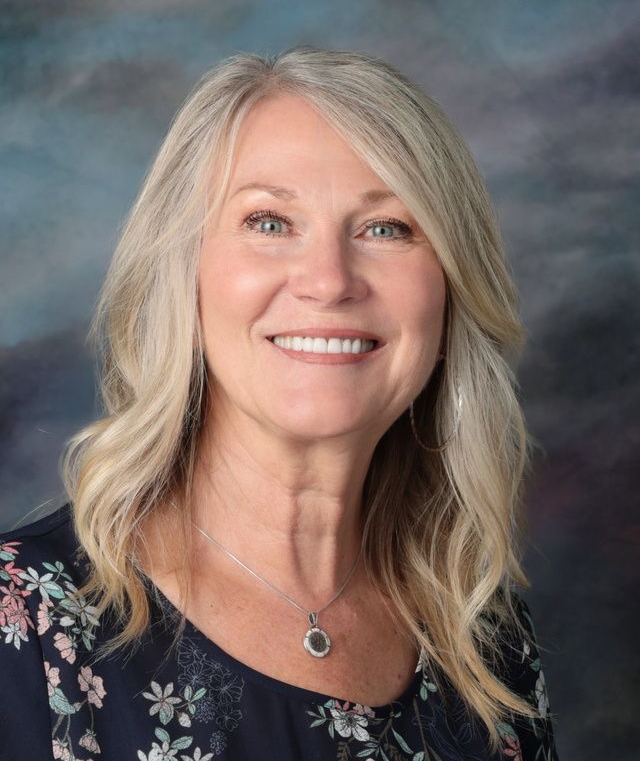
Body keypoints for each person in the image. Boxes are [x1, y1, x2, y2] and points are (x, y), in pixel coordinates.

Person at [0, 46, 559, 760]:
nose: (329, 281)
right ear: (185, 276)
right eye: (269, 222)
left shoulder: (487, 643)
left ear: (449, 295)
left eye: (387, 228)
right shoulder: (29, 627)